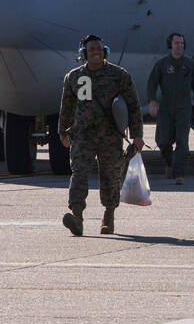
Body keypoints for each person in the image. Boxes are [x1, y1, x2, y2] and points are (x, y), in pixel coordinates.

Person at [58, 34, 143, 235]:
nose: (95, 52)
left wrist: (137, 135)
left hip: (110, 135)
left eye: (99, 48)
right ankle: (76, 216)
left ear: (105, 52)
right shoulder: (75, 77)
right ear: (83, 54)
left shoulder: (119, 75)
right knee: (79, 172)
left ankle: (109, 214)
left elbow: (133, 106)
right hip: (83, 134)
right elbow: (67, 107)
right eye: (91, 49)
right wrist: (62, 131)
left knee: (111, 176)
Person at [146, 32, 194, 185]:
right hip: (166, 106)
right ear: (170, 45)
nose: (180, 46)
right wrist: (152, 101)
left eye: (182, 44)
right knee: (163, 140)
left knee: (182, 141)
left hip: (183, 106)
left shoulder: (189, 64)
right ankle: (169, 162)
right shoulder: (162, 64)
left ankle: (179, 173)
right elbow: (152, 83)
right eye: (177, 43)